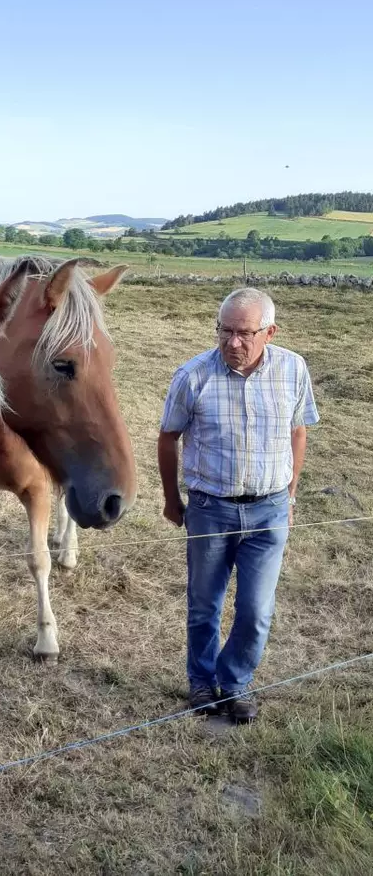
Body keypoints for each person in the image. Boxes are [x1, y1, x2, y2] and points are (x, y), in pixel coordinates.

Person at [158, 287, 319, 724]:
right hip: (211, 507)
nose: (233, 343)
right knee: (204, 603)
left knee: (256, 609)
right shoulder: (192, 376)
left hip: (269, 511)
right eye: (225, 331)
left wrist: (290, 491)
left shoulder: (293, 369)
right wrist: (173, 499)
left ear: (270, 331)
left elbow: (298, 430)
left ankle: (233, 685)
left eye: (245, 333)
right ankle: (201, 683)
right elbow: (168, 436)